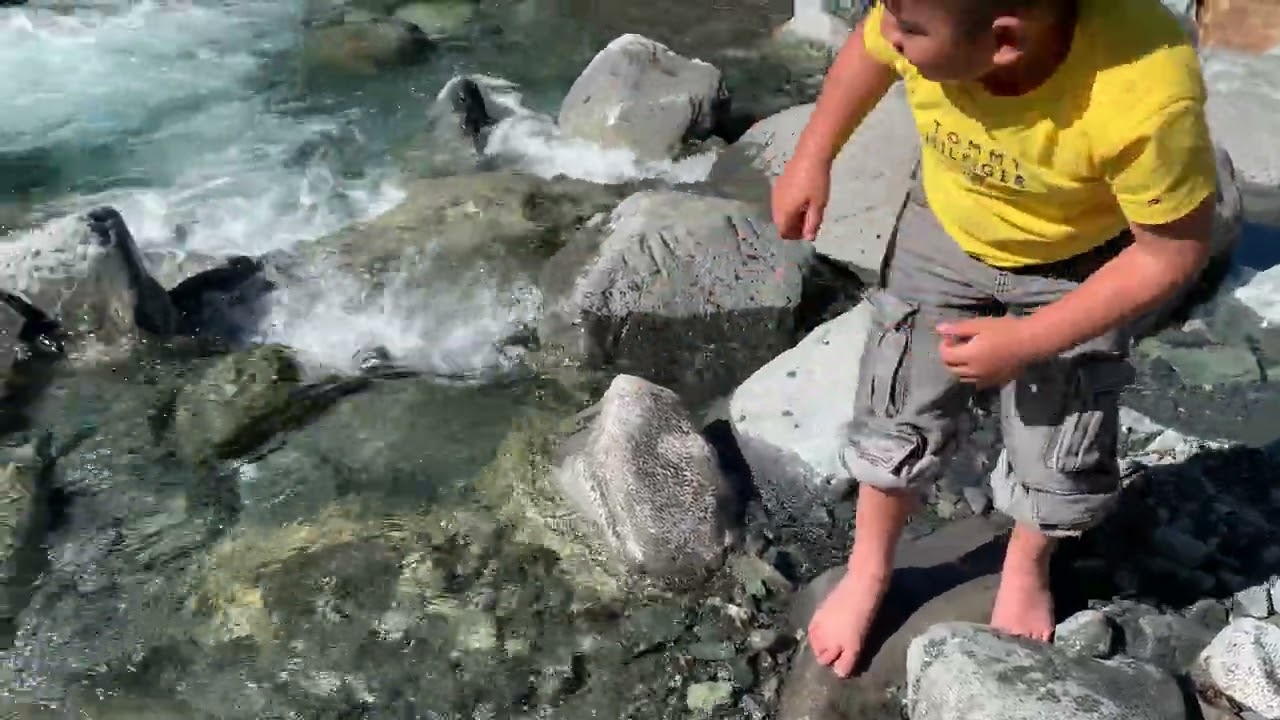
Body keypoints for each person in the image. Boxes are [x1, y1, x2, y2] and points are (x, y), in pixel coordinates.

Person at [771, 0, 1218, 679]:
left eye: (908, 31)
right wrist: (813, 155)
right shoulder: (918, 14)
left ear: (1004, 41)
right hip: (944, 233)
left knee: (1060, 433)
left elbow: (1173, 251)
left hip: (1078, 266)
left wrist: (1030, 339)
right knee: (897, 399)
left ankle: (1026, 563)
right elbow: (867, 52)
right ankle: (867, 571)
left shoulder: (1143, 97)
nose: (886, 31)